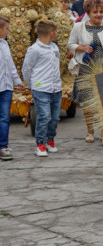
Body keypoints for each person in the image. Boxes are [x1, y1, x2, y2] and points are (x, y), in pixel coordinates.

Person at [68, 0, 103, 144]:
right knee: (88, 102)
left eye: (101, 12)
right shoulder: (79, 27)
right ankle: (90, 130)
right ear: (88, 13)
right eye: (95, 12)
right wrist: (82, 48)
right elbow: (70, 44)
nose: (98, 14)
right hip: (85, 68)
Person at [22, 20, 63, 157]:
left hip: (55, 88)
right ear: (51, 33)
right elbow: (27, 69)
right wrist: (32, 84)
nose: (56, 34)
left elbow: (57, 65)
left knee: (55, 117)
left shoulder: (54, 47)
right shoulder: (34, 49)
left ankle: (50, 139)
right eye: (55, 31)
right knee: (44, 116)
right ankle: (40, 143)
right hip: (41, 88)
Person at [0, 16, 24, 160]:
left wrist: (17, 81)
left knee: (4, 117)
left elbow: (10, 65)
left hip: (6, 87)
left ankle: (3, 146)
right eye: (6, 29)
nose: (8, 32)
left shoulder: (4, 44)